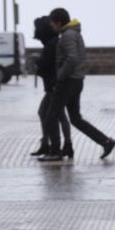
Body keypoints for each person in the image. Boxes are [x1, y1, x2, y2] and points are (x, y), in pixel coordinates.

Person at [39, 7, 115, 162]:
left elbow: (72, 58)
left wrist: (60, 76)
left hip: (68, 82)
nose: (51, 27)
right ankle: (106, 142)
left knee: (51, 116)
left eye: (52, 23)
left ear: (59, 22)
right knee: (75, 119)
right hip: (76, 81)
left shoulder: (67, 36)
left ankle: (55, 152)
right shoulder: (73, 33)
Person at [31, 16, 72, 157]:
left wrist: (38, 62)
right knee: (47, 113)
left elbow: (49, 65)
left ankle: (59, 147)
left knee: (53, 115)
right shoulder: (50, 43)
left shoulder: (53, 44)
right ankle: (48, 144)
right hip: (52, 86)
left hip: (55, 86)